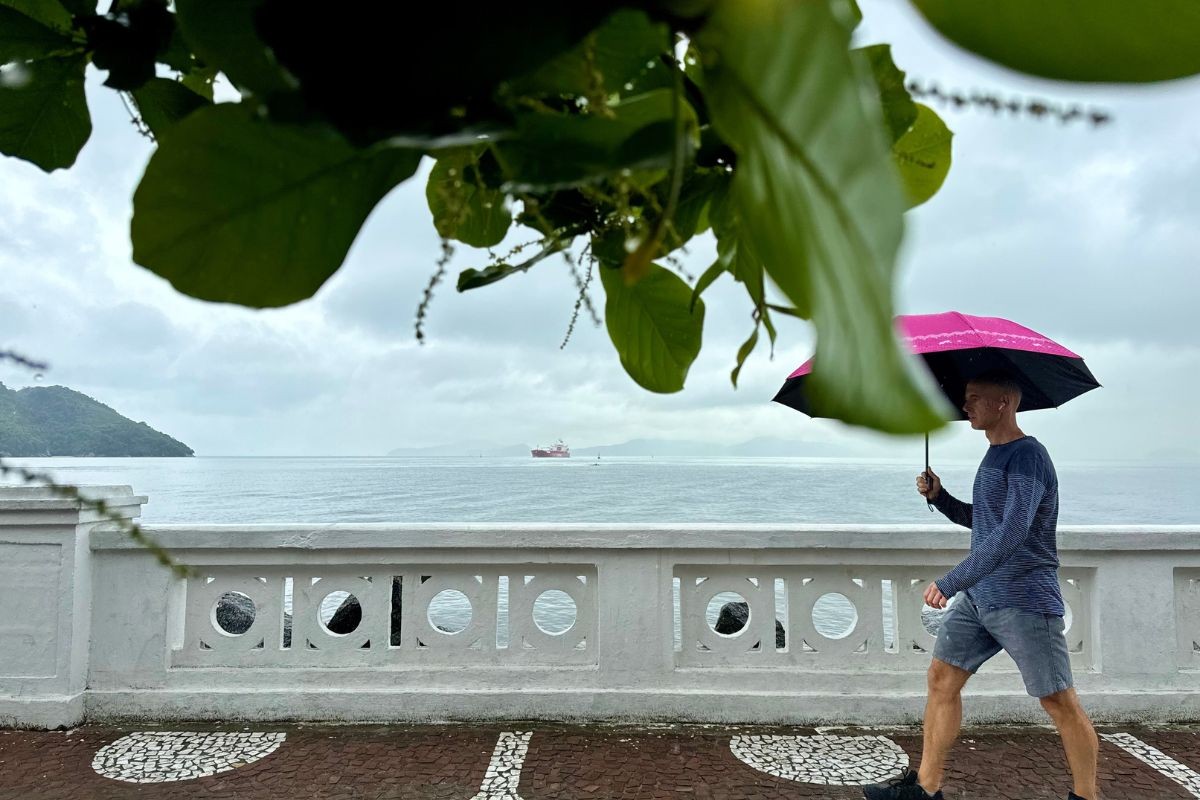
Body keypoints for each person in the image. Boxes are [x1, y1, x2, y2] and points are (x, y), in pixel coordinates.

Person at [864, 371, 1099, 800]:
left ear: (1004, 402)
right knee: (941, 680)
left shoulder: (1028, 457)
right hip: (981, 598)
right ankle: (925, 789)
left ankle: (1087, 796)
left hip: (1024, 600)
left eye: (974, 398)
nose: (966, 406)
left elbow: (1012, 533)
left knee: (1059, 703)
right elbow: (986, 521)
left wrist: (953, 581)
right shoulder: (995, 454)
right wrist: (942, 498)